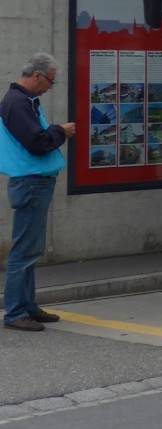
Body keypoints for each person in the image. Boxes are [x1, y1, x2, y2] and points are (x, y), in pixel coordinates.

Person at [2, 53, 76, 333]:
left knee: (30, 250)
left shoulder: (24, 101)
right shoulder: (18, 103)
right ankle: (16, 312)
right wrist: (61, 130)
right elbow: (36, 142)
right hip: (30, 182)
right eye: (50, 81)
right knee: (24, 252)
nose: (50, 87)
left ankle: (27, 306)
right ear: (37, 76)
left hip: (33, 182)